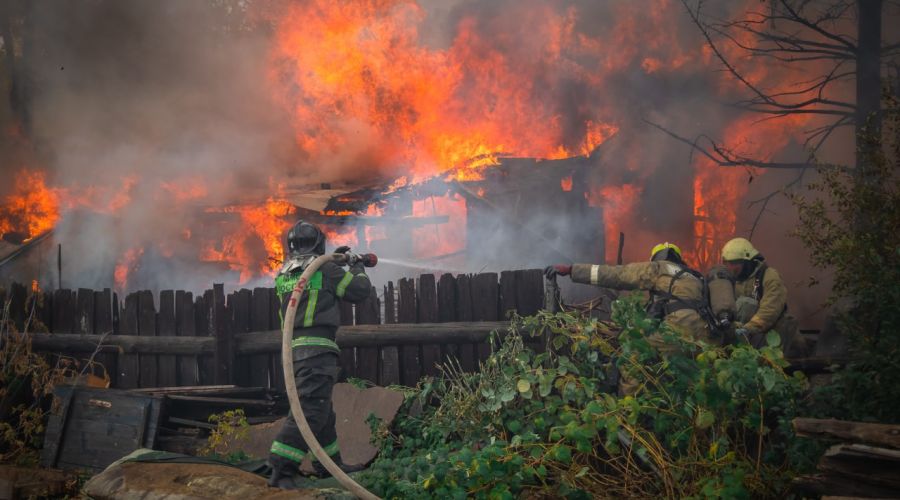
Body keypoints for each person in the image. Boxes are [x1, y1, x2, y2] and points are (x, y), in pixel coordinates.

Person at [268, 221, 372, 489]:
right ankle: (282, 468)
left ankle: (329, 465)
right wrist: (357, 265)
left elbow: (315, 283)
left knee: (322, 409)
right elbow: (359, 291)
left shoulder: (284, 272)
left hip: (294, 350)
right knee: (310, 410)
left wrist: (333, 263)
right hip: (316, 350)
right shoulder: (325, 269)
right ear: (318, 243)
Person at [545, 243, 711, 393]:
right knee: (693, 377)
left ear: (655, 258)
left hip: (678, 329)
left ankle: (628, 409)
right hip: (706, 337)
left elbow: (618, 275)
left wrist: (572, 270)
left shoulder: (658, 268)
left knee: (632, 358)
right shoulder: (695, 276)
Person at [720, 237, 799, 354]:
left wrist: (747, 329)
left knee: (746, 304)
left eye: (734, 263)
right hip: (749, 337)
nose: (729, 267)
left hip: (774, 335)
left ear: (747, 262)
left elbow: (770, 310)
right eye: (727, 263)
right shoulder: (733, 280)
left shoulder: (770, 276)